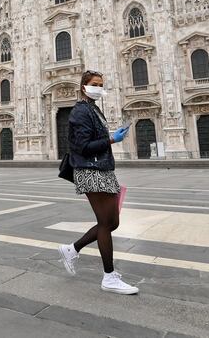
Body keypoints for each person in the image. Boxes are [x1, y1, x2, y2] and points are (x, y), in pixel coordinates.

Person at [57, 70, 138, 295]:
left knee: (112, 222)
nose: (99, 88)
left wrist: (112, 135)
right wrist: (112, 139)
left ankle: (72, 249)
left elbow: (95, 140)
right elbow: (82, 146)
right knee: (105, 223)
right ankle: (109, 277)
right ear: (84, 86)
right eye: (95, 84)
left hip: (102, 168)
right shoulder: (80, 111)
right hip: (91, 171)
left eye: (101, 84)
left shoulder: (93, 108)